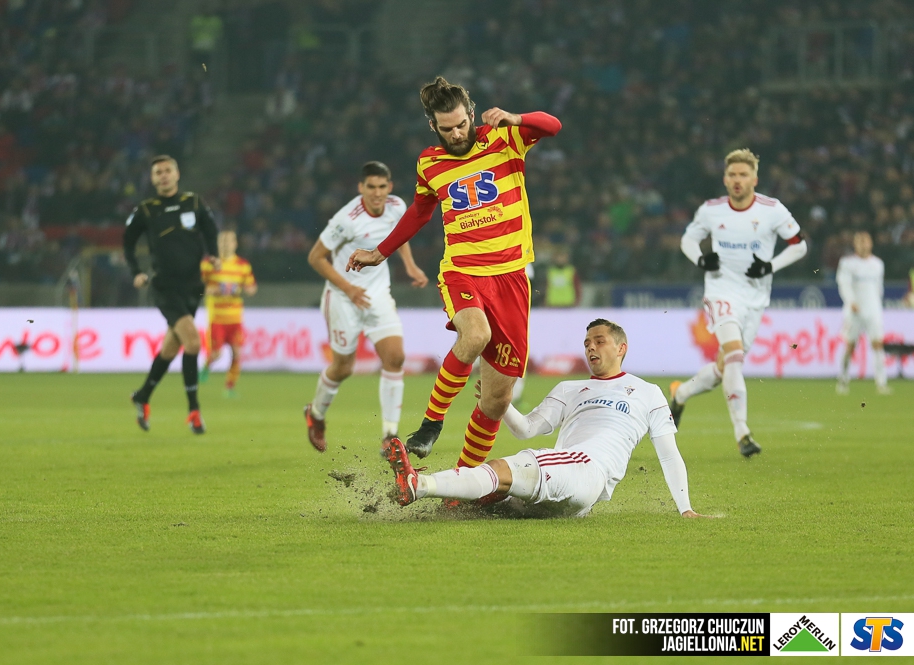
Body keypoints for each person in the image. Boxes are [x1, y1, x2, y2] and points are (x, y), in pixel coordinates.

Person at [347, 77, 561, 471]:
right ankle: (431, 423)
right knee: (475, 335)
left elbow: (553, 125)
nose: (457, 134)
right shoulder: (429, 162)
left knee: (496, 401)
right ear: (433, 125)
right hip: (463, 271)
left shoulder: (505, 138)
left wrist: (516, 118)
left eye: (462, 124)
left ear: (472, 115)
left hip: (512, 277)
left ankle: (463, 484)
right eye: (447, 128)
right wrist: (380, 252)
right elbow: (419, 212)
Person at [384, 319, 709, 519]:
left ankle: (419, 485)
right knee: (489, 502)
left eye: (600, 341)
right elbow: (526, 429)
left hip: (587, 468)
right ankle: (444, 501)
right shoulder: (569, 389)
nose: (591, 348)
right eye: (587, 343)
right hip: (569, 490)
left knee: (499, 469)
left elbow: (669, 454)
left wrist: (686, 508)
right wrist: (500, 402)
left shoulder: (648, 392)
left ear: (621, 348)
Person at [669, 149, 808, 457]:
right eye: (732, 174)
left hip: (755, 298)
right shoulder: (711, 210)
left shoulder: (773, 209)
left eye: (743, 175)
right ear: (725, 178)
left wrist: (770, 266)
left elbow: (799, 246)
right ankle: (742, 432)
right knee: (734, 355)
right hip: (720, 291)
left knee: (725, 367)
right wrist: (701, 259)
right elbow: (688, 240)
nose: (737, 180)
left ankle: (681, 393)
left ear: (754, 179)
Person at [304, 161, 429, 452]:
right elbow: (315, 257)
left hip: (377, 295)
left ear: (390, 187)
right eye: (371, 187)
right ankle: (316, 414)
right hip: (343, 299)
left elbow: (400, 235)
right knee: (343, 367)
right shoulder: (347, 219)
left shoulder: (397, 206)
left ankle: (390, 435)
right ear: (361, 188)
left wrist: (410, 265)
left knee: (395, 357)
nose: (377, 193)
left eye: (382, 186)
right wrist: (348, 288)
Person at [124, 155, 219, 434]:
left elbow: (210, 229)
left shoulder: (194, 202)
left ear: (177, 174)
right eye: (158, 172)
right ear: (153, 179)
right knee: (193, 342)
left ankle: (142, 396)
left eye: (167, 170)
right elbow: (128, 242)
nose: (163, 175)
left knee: (170, 347)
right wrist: (135, 272)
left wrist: (213, 254)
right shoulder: (146, 209)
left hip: (193, 286)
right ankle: (194, 410)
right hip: (165, 287)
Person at [199, 229, 257, 397]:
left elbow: (252, 287)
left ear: (235, 244)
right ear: (217, 244)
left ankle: (230, 387)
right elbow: (198, 286)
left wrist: (245, 289)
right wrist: (213, 290)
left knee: (237, 353)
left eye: (228, 241)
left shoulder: (243, 265)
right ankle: (206, 367)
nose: (225, 245)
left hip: (235, 317)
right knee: (216, 354)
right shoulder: (209, 263)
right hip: (217, 316)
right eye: (222, 241)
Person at [836, 231, 889, 395]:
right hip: (854, 310)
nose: (863, 245)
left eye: (866, 241)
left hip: (873, 309)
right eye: (860, 242)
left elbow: (879, 288)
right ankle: (843, 379)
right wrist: (851, 301)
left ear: (871, 244)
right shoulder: (847, 263)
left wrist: (877, 304)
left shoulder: (878, 264)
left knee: (878, 344)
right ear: (855, 244)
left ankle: (881, 383)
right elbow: (843, 284)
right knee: (850, 346)